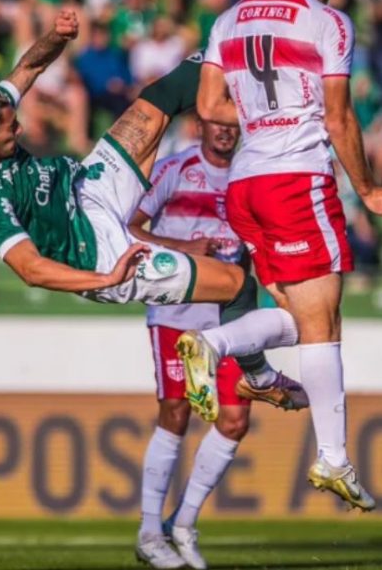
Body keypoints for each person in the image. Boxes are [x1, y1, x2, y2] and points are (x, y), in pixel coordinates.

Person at [0, 10, 304, 412]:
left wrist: (56, 36)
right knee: (236, 283)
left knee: (160, 97)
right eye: (12, 129)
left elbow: (29, 67)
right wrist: (106, 278)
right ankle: (259, 379)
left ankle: (248, 34)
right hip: (98, 252)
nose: (20, 130)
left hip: (89, 185)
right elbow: (31, 270)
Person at [194, 0, 382, 509]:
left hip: (244, 185)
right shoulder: (329, 22)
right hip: (295, 182)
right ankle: (333, 458)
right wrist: (367, 190)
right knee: (325, 323)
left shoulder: (228, 20)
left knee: (301, 318)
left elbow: (209, 106)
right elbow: (339, 117)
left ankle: (220, 348)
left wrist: (263, 117)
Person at [129, 120, 290, 569]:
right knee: (176, 413)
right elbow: (131, 228)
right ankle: (148, 531)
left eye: (232, 125)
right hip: (177, 313)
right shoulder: (175, 170)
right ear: (201, 124)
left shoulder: (250, 174)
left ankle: (182, 523)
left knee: (235, 421)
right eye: (217, 123)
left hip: (230, 318)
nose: (225, 132)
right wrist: (182, 247)